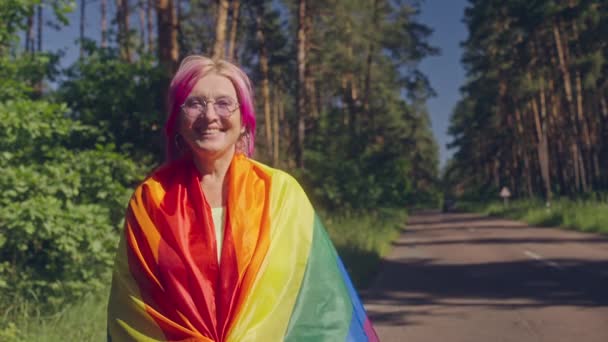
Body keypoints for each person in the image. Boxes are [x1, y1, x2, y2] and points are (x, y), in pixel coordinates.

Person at [106, 55, 379, 342]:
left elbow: (321, 300)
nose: (209, 115)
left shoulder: (282, 195)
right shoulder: (150, 200)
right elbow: (132, 306)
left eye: (224, 103)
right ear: (178, 119)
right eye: (195, 103)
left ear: (244, 119)